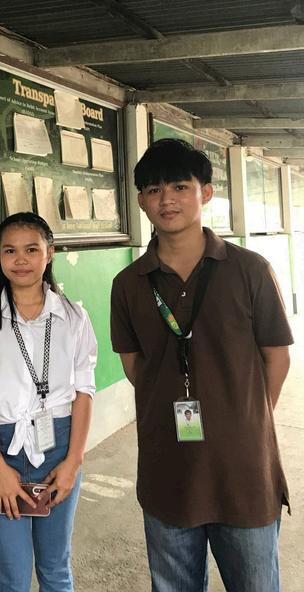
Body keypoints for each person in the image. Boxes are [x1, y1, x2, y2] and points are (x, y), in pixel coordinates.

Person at [110, 138, 292, 592]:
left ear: (205, 193)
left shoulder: (249, 270)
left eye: (179, 186)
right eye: (153, 190)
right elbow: (135, 365)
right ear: (141, 201)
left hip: (243, 468)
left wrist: (245, 416)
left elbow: (277, 356)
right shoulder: (128, 284)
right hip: (167, 465)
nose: (166, 200)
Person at [0, 212, 97, 592]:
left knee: (55, 566)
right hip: (2, 449)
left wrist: (73, 461)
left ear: (49, 253)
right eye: (10, 251)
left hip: (59, 448)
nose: (20, 259)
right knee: (12, 572)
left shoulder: (73, 317)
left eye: (32, 250)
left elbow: (85, 392)